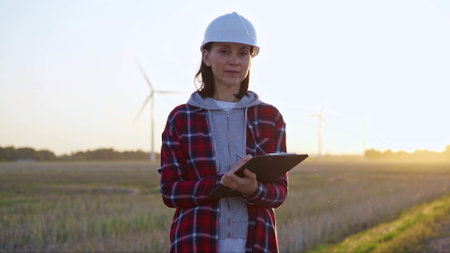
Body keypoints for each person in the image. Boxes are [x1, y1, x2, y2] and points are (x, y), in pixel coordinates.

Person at [158, 12, 288, 253]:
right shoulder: (181, 119)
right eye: (224, 51)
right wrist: (220, 184)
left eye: (243, 52)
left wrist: (253, 190)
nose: (234, 60)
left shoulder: (270, 118)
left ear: (251, 59)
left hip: (258, 243)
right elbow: (170, 191)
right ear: (206, 56)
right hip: (195, 242)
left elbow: (279, 193)